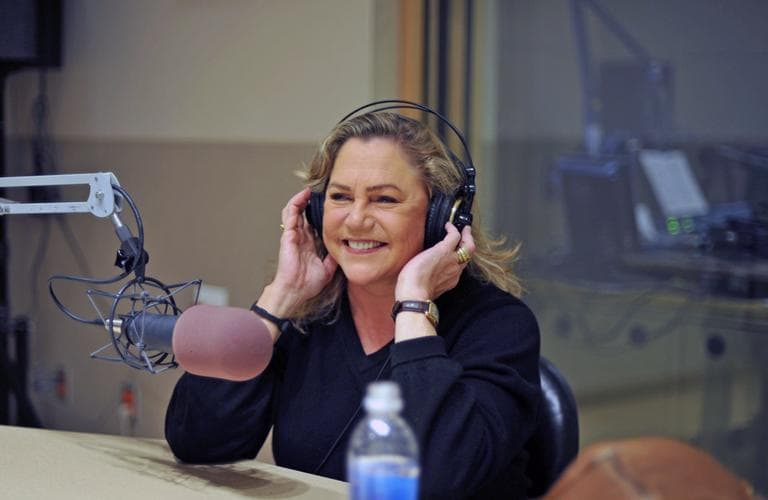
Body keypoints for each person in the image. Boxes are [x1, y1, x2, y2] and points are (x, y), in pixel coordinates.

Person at [165, 107, 542, 499]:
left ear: (440, 217)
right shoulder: (306, 319)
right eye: (340, 197)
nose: (357, 219)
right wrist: (278, 300)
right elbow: (197, 443)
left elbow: (435, 483)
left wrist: (413, 307)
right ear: (315, 210)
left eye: (384, 199)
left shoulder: (499, 326)